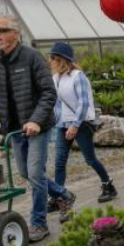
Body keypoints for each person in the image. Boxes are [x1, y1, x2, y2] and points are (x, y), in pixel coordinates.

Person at [0, 15, 73, 242]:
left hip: (38, 127)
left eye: (3, 30)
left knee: (35, 174)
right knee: (26, 173)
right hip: (14, 130)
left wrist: (35, 120)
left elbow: (48, 92)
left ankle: (39, 224)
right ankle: (63, 195)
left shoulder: (32, 58)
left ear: (16, 33)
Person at [48, 41, 117, 212]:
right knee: (59, 162)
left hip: (80, 124)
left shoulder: (78, 76)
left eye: (52, 58)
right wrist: (56, 122)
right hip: (62, 124)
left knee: (90, 159)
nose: (50, 61)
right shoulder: (55, 78)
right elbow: (56, 104)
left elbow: (83, 103)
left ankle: (108, 185)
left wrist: (75, 125)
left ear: (61, 59)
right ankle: (59, 197)